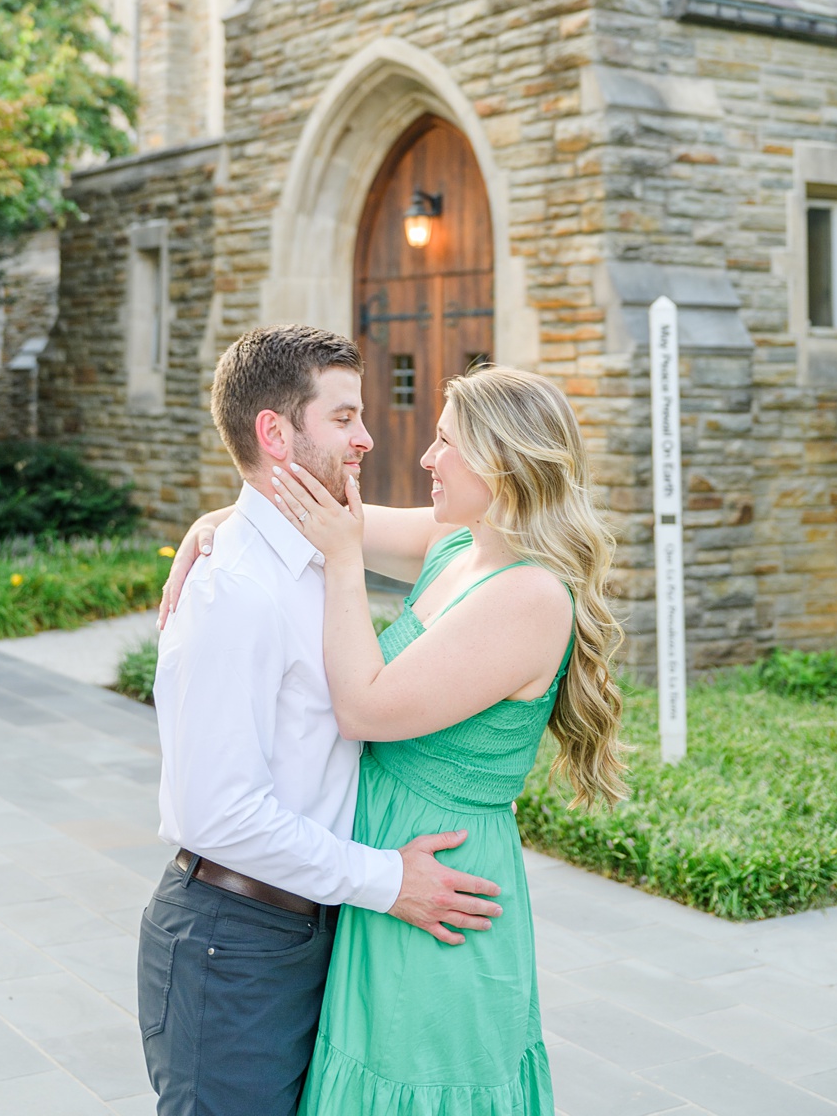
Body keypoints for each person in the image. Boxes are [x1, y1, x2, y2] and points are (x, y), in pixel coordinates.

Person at [140, 325, 504, 1116]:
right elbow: (218, 812)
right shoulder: (231, 589)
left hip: (312, 933)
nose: (369, 438)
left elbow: (470, 540)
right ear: (276, 432)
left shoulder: (316, 555)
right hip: (232, 945)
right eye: (344, 418)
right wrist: (387, 881)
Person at [265, 366, 623, 1116]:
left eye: (445, 442)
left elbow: (363, 708)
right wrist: (213, 526)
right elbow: (318, 513)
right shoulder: (457, 543)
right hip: (385, 865)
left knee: (420, 1082)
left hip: (442, 880)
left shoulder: (528, 595)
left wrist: (340, 565)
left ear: (502, 462)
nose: (426, 459)